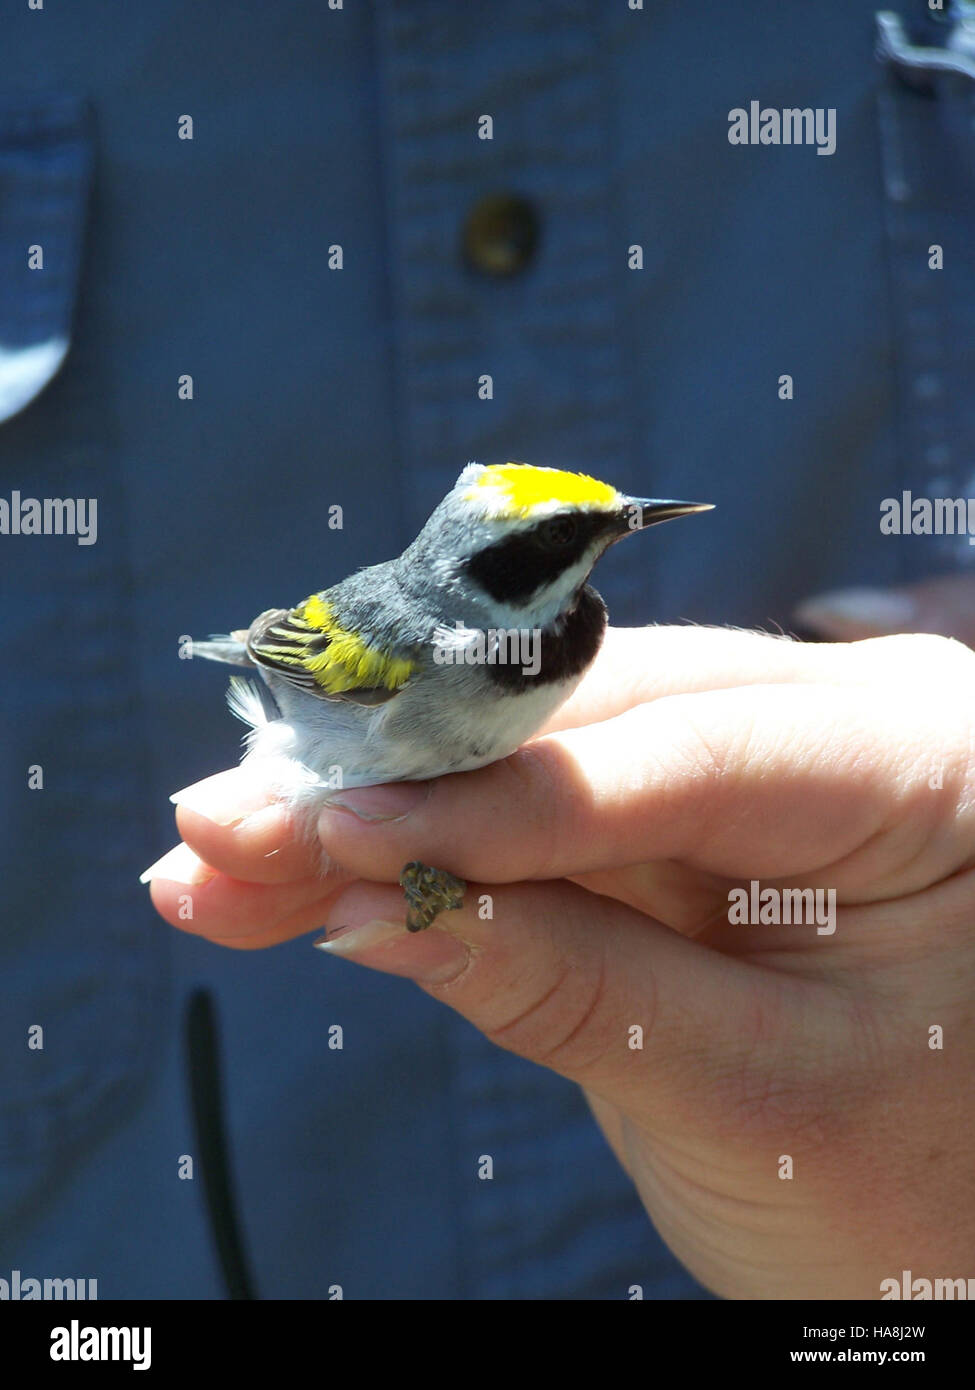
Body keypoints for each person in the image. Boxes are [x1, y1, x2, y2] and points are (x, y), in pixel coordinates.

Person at [3, 0, 973, 1298]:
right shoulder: (395, 643)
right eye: (583, 530)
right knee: (368, 851)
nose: (616, 536)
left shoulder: (564, 630)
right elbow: (295, 649)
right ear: (509, 568)